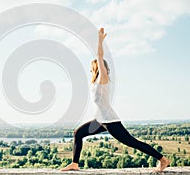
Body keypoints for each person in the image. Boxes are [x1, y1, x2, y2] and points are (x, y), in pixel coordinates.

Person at [60, 28, 170, 172]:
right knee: (78, 133)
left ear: (98, 69)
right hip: (100, 120)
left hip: (110, 121)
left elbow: (99, 56)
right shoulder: (95, 83)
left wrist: (100, 41)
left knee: (133, 143)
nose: (90, 70)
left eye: (92, 68)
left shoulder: (103, 79)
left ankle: (162, 160)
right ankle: (75, 164)